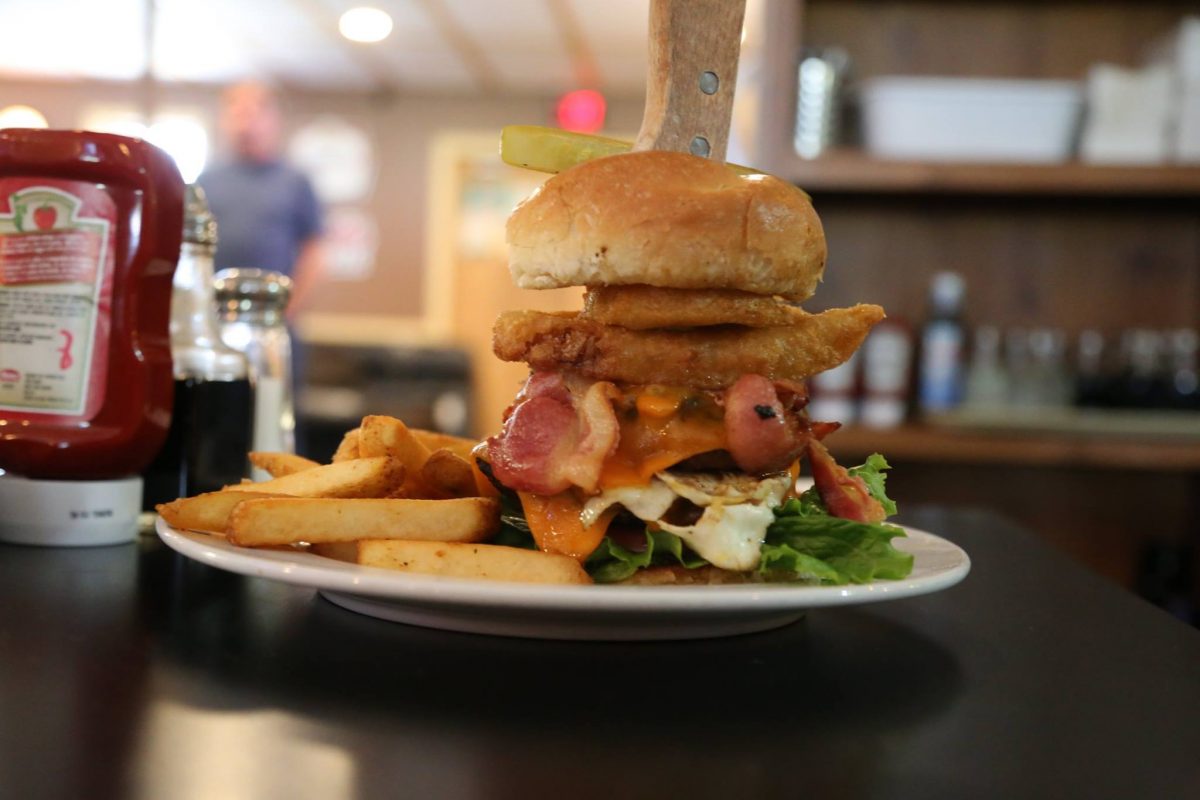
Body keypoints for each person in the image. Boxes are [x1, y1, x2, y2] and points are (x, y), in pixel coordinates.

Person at [197, 81, 323, 315]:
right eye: (237, 114)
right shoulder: (206, 181)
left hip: (274, 315)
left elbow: (314, 251)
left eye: (252, 114)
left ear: (273, 120)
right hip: (216, 313)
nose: (245, 125)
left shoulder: (295, 182)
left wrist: (289, 309)